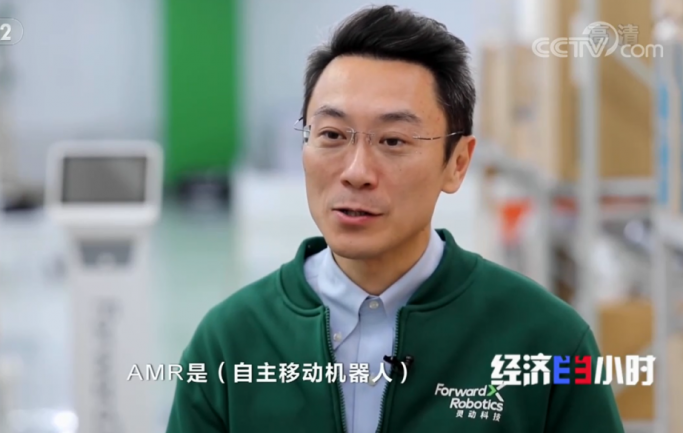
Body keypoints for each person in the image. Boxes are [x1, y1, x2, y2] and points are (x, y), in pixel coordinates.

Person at [166, 5, 623, 433]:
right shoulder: (229, 342)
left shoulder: (547, 340)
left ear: (457, 163)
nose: (356, 172)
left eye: (393, 141)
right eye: (332, 134)